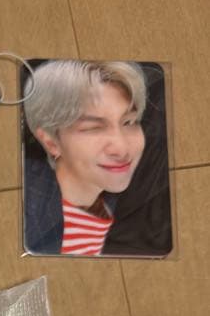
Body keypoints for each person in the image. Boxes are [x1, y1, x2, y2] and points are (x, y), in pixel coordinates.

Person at [22, 60, 168, 257]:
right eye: (93, 128)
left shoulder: (107, 200)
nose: (121, 148)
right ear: (51, 142)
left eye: (129, 122)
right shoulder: (30, 210)